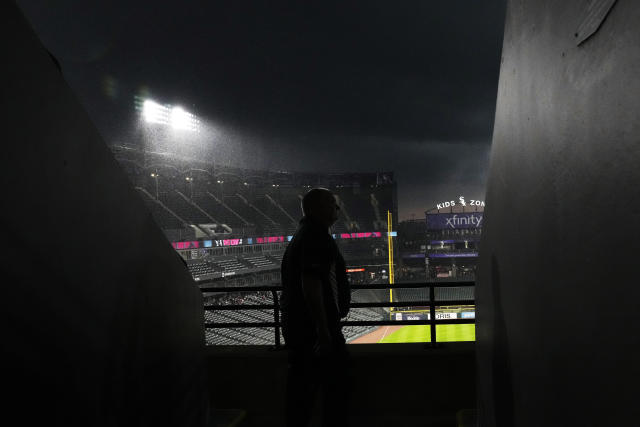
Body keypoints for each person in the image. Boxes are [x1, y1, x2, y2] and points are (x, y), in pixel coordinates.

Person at [281, 188, 351, 427]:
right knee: (332, 391)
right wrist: (323, 332)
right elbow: (310, 284)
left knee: (302, 395)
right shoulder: (315, 236)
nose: (337, 208)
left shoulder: (305, 234)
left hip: (303, 328)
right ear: (315, 208)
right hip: (315, 331)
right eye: (332, 203)